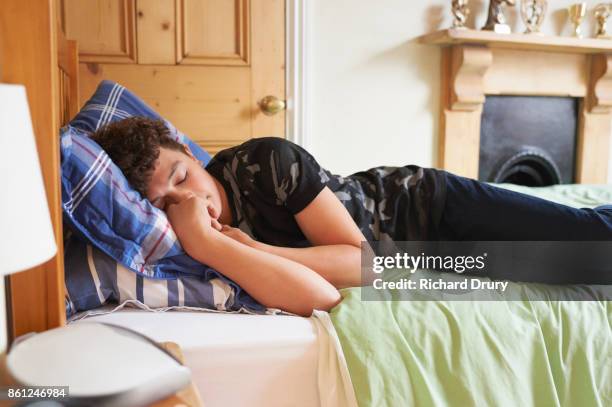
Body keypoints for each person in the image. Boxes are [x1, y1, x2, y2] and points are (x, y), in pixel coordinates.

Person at [92, 117, 612, 316]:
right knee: (576, 264)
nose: (187, 204)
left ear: (189, 152)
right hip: (427, 259)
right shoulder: (183, 240)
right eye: (162, 203)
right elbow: (320, 294)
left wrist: (246, 249)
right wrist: (210, 244)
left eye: (182, 178)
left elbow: (358, 262)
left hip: (427, 209)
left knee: (592, 249)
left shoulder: (266, 162)